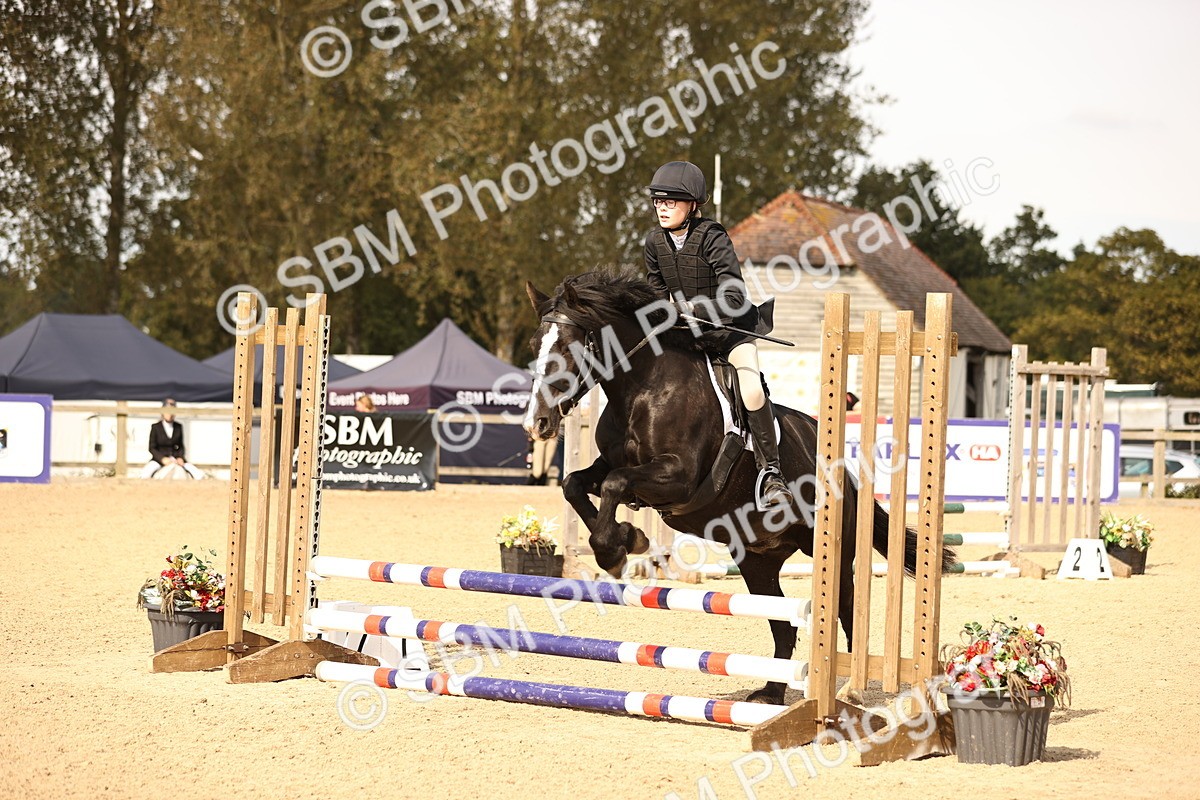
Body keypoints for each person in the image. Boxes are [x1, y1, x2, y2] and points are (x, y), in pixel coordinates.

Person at [643, 160, 792, 510]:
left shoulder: (713, 237)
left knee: (752, 389)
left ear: (692, 204)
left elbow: (735, 297)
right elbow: (655, 293)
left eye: (671, 201)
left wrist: (690, 310)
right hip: (688, 338)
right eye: (658, 201)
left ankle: (772, 474)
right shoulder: (654, 242)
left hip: (730, 334)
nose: (662, 208)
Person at [141, 399, 205, 479]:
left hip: (175, 458)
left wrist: (180, 457)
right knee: (145, 474)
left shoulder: (178, 427)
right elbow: (152, 447)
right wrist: (162, 459)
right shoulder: (156, 427)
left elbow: (181, 446)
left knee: (197, 474)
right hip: (160, 459)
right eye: (168, 411)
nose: (170, 414)